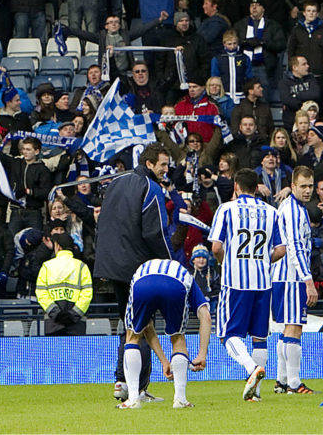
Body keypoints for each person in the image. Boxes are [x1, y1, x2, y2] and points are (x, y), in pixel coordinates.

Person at [93, 144, 174, 402]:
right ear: (149, 164)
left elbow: (103, 222)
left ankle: (121, 381)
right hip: (137, 266)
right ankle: (138, 387)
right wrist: (169, 262)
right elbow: (155, 232)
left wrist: (104, 261)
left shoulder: (116, 183)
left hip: (112, 264)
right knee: (142, 325)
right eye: (162, 164)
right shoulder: (151, 188)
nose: (166, 169)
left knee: (129, 323)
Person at [208, 167, 286, 401]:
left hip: (235, 282)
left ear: (236, 187)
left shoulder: (227, 209)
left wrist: (225, 262)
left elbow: (216, 247)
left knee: (227, 334)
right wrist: (262, 260)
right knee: (259, 336)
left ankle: (252, 369)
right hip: (263, 282)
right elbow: (281, 249)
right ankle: (256, 394)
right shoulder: (272, 212)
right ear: (256, 187)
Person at [118, 257, 212, 410]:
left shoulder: (142, 270)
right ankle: (180, 399)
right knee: (178, 338)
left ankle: (133, 399)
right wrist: (202, 354)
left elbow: (146, 325)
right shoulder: (187, 276)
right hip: (176, 284)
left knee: (132, 336)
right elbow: (206, 316)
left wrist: (164, 361)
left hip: (142, 281)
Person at [271, 165, 318, 395]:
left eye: (310, 186)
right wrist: (308, 280)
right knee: (294, 327)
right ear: (293, 186)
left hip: (284, 276)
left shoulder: (294, 208)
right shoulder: (293, 211)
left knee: (286, 328)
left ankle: (281, 380)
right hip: (291, 277)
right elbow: (295, 248)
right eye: (303, 186)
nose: (308, 191)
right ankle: (293, 383)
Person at [35, 224, 93, 336]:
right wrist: (74, 314)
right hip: (77, 322)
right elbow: (87, 294)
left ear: (57, 246)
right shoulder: (82, 266)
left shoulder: (47, 266)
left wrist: (55, 313)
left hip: (53, 322)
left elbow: (41, 293)